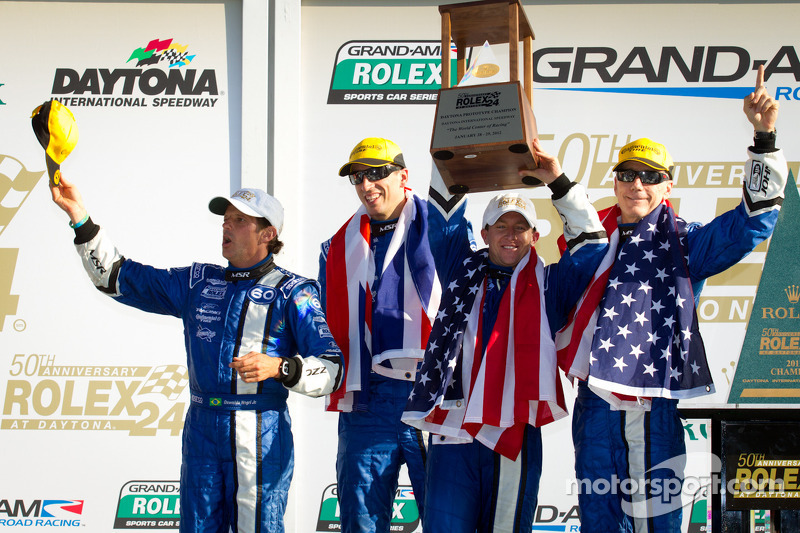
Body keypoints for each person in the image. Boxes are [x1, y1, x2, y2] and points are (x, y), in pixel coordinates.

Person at [555, 65, 788, 532]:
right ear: (615, 182)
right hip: (595, 403)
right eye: (627, 174)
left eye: (650, 176)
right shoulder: (589, 245)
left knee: (655, 521)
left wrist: (764, 139)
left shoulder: (687, 243)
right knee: (598, 521)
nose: (637, 184)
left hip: (653, 400)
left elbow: (752, 222)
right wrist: (558, 182)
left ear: (667, 187)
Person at [49, 179, 344, 533]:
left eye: (239, 220)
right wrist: (81, 219)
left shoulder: (294, 291)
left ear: (268, 234)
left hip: (258, 429)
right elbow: (117, 278)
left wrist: (280, 367)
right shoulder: (198, 282)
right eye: (225, 219)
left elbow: (332, 367)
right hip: (202, 426)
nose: (226, 225)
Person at [401, 138, 609, 533]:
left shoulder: (550, 284)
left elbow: (592, 245)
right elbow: (443, 219)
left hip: (513, 429)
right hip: (454, 428)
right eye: (501, 226)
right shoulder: (460, 268)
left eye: (520, 227)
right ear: (484, 232)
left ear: (534, 235)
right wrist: (450, 146)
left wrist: (558, 181)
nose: (510, 235)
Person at [319, 137, 454, 532]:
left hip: (433, 394)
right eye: (358, 176)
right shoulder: (337, 247)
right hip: (369, 398)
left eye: (377, 173)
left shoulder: (442, 230)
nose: (366, 184)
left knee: (448, 521)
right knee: (361, 521)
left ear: (404, 176)